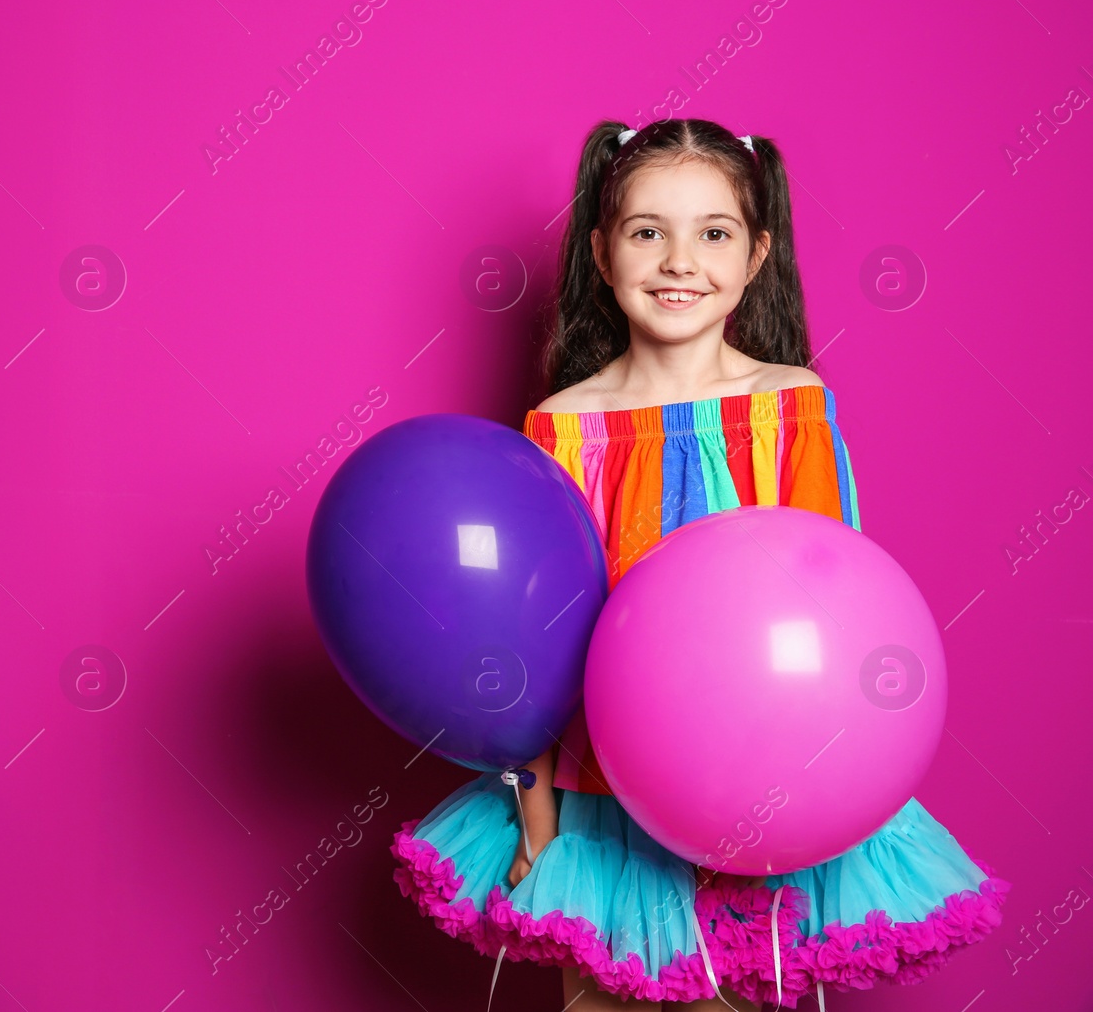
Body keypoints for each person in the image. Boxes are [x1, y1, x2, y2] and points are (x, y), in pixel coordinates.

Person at [390, 118, 1009, 1010]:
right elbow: (533, 644)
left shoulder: (788, 405)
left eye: (713, 233)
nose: (680, 260)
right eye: (649, 232)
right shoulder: (562, 426)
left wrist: (802, 798)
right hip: (603, 799)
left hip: (757, 788)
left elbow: (837, 618)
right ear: (603, 253)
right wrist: (538, 813)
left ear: (757, 254)